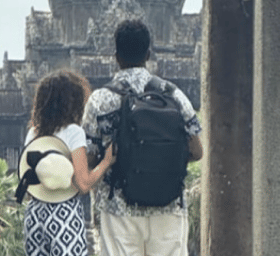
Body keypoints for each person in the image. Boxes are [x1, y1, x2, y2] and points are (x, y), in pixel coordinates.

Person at [82, 19, 203, 256]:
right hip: (169, 206)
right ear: (148, 53)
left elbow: (88, 160)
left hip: (119, 210)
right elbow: (197, 151)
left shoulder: (100, 100)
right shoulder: (174, 95)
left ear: (116, 56)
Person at [19, 69, 116, 256]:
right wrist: (106, 161)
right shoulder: (73, 132)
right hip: (63, 213)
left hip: (34, 213)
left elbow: (29, 182)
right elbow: (83, 184)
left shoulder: (34, 133)